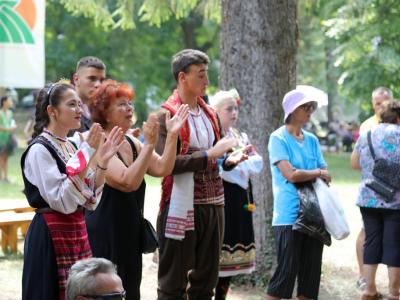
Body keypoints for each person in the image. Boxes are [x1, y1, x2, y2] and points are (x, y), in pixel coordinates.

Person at [155, 49, 249, 300]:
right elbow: (165, 165)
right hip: (181, 205)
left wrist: (228, 160)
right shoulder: (166, 114)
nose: (207, 82)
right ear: (182, 77)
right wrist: (208, 155)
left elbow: (215, 159)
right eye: (201, 75)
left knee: (206, 281)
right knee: (173, 281)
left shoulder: (209, 114)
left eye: (207, 75)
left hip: (214, 205)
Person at [85, 79, 189, 300]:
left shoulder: (132, 143)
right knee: (107, 291)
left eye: (130, 103)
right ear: (105, 112)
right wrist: (149, 144)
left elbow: (162, 167)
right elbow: (126, 182)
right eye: (121, 104)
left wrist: (171, 136)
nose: (129, 108)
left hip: (130, 232)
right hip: (106, 232)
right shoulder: (98, 144)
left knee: (131, 289)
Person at [21, 82, 123, 300]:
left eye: (79, 104)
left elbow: (90, 200)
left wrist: (102, 163)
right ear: (52, 111)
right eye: (71, 105)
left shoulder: (69, 146)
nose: (79, 110)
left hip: (75, 229)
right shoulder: (40, 149)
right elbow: (62, 200)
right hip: (51, 233)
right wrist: (87, 152)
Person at [266, 88, 331, 300]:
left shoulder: (311, 140)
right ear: (292, 110)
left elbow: (326, 173)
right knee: (284, 276)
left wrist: (316, 173)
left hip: (314, 214)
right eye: (306, 107)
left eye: (312, 106)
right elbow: (291, 174)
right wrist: (317, 173)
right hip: (289, 215)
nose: (310, 111)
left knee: (310, 278)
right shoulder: (278, 138)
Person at [210, 89, 263, 300]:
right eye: (229, 109)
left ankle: (221, 297)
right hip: (223, 200)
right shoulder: (214, 138)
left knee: (230, 261)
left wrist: (240, 161)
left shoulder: (239, 136)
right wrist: (237, 162)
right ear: (216, 111)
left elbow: (256, 162)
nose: (234, 113)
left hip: (240, 200)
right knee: (218, 253)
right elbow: (219, 168)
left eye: (236, 108)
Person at [351, 100, 400, 300]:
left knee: (371, 241)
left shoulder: (367, 134)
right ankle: (394, 292)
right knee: (394, 244)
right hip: (395, 200)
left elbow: (354, 163)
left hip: (368, 198)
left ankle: (369, 289)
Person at [356, 87, 393, 290]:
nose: (381, 106)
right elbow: (358, 159)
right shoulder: (367, 126)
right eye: (377, 103)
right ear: (372, 104)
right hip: (374, 189)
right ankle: (364, 277)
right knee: (367, 234)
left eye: (384, 102)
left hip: (391, 192)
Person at [72, 56, 106, 133]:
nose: (98, 84)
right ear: (76, 79)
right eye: (92, 78)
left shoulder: (100, 113)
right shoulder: (64, 110)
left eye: (102, 80)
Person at [0, 95, 17, 182]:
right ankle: (1, 177)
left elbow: (12, 122)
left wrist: (13, 126)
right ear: (4, 102)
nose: (11, 102)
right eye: (9, 100)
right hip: (1, 139)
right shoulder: (0, 113)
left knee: (6, 158)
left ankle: (5, 177)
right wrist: (8, 129)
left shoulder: (10, 113)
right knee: (1, 157)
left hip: (8, 139)